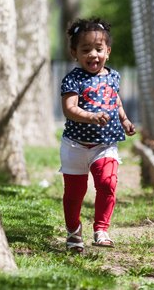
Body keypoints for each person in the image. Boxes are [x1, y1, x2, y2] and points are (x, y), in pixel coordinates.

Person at [59, 16, 136, 253]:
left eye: (98, 49)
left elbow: (116, 99)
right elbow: (69, 109)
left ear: (108, 51)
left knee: (107, 183)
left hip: (105, 144)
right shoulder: (73, 79)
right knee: (74, 193)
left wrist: (123, 119)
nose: (93, 54)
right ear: (75, 53)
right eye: (86, 50)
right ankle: (73, 233)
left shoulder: (113, 76)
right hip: (75, 145)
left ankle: (101, 229)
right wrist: (91, 116)